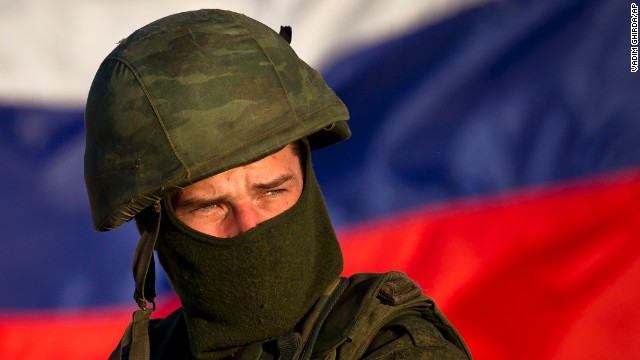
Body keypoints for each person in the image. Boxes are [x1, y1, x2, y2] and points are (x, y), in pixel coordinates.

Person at [84, 9, 472, 360]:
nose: (250, 227)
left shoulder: (397, 350)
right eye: (210, 206)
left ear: (305, 178)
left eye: (271, 190)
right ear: (159, 228)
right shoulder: (151, 354)